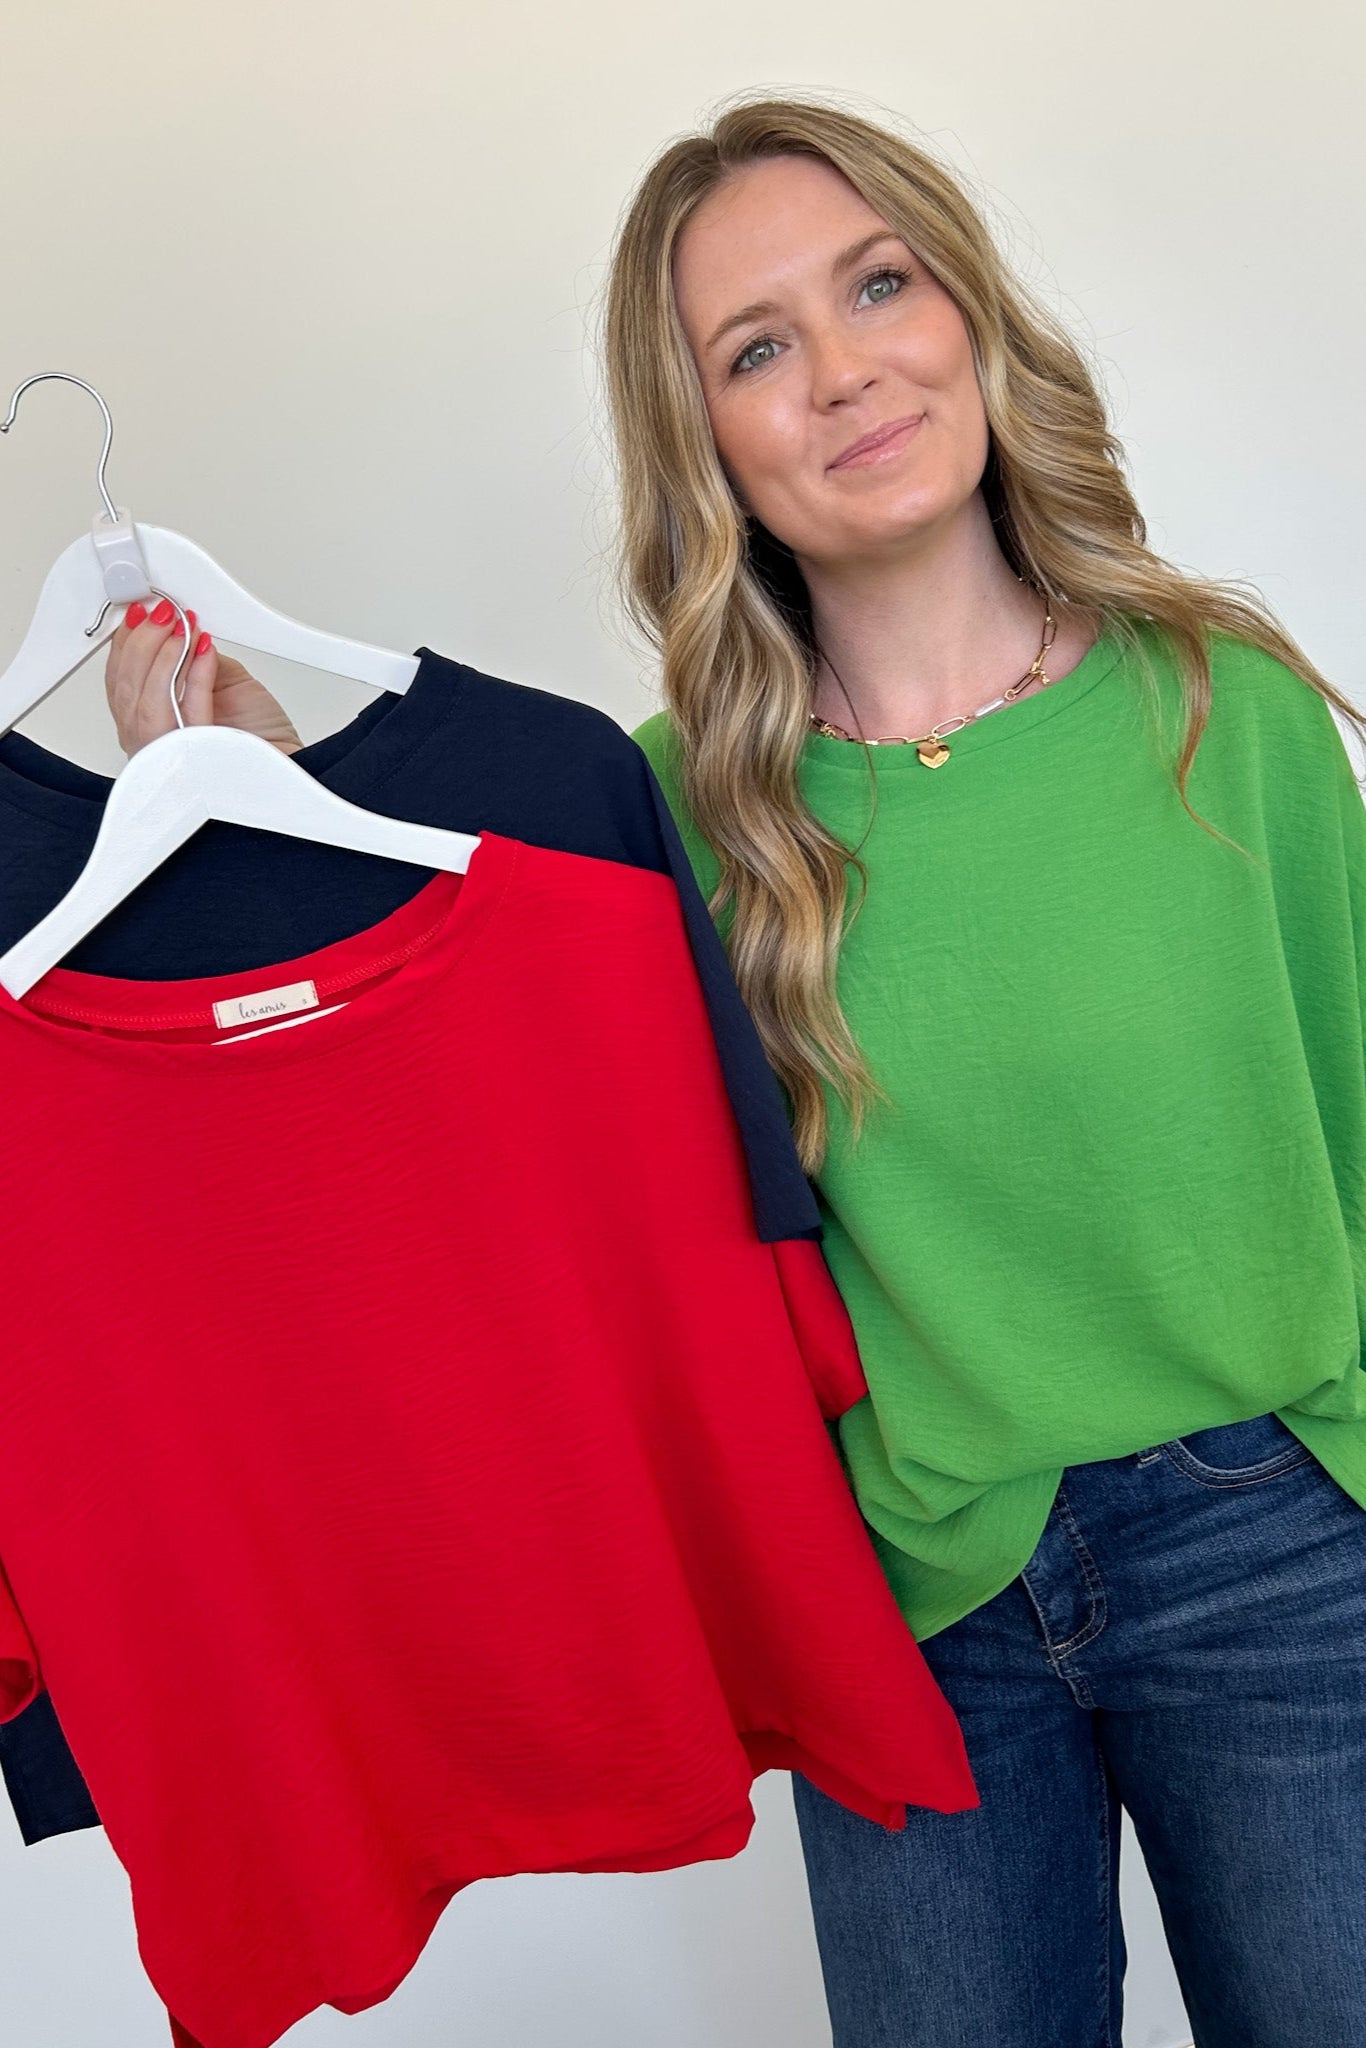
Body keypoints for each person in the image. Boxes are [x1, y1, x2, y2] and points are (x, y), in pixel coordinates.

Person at [103, 93, 1366, 2048]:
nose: (843, 368)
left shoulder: (1225, 708)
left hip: (1273, 1544)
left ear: (967, 314)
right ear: (703, 440)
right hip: (910, 1594)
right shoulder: (663, 815)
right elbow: (471, 1168)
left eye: (877, 285)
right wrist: (284, 833)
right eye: (753, 346)